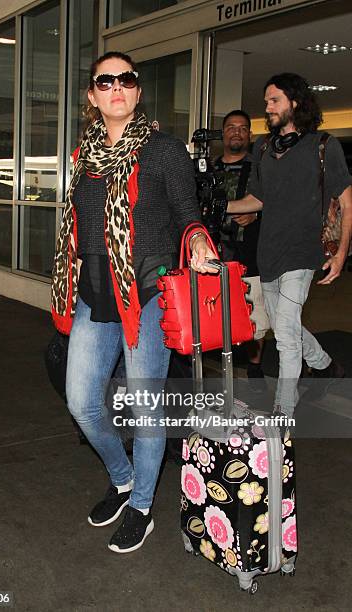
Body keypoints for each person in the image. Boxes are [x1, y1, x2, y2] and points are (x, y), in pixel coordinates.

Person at [51, 51, 213, 553]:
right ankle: (121, 479)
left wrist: (201, 242)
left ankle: (142, 507)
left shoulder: (164, 150)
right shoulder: (85, 156)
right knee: (81, 401)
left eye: (126, 79)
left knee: (146, 410)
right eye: (106, 80)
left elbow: (188, 210)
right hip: (95, 292)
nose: (117, 86)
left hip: (147, 292)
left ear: (137, 92)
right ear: (93, 97)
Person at [226, 73, 352, 417]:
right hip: (269, 252)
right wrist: (219, 206)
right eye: (266, 101)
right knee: (286, 324)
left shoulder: (324, 145)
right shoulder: (264, 148)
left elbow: (346, 200)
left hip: (303, 251)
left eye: (273, 101)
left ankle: (283, 410)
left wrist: (340, 253)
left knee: (284, 332)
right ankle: (325, 366)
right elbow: (257, 199)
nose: (267, 107)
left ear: (294, 103)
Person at [215, 109, 270, 392]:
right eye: (231, 127)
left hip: (251, 253)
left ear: (249, 134)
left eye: (242, 128)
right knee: (217, 310)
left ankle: (255, 366)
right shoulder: (210, 170)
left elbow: (276, 205)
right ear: (223, 133)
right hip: (216, 254)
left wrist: (256, 215)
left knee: (254, 312)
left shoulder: (261, 169)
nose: (236, 132)